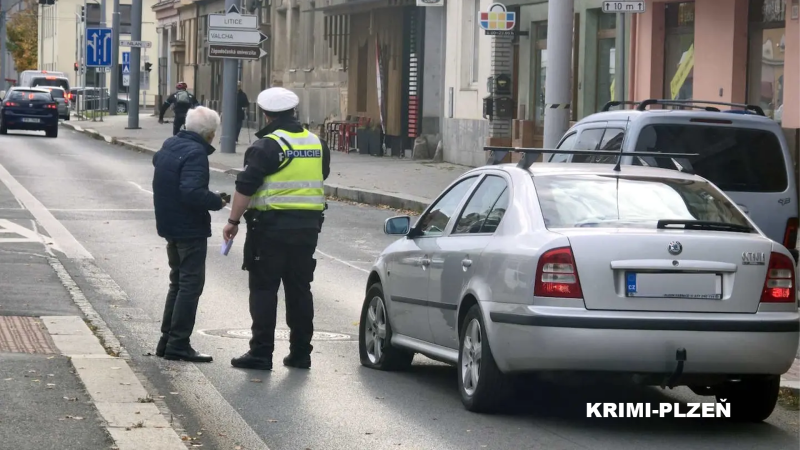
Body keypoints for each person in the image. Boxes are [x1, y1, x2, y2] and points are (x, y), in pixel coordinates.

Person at [223, 87, 330, 371]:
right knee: (299, 290)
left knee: (263, 289)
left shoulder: (267, 146)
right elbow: (322, 175)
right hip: (308, 229)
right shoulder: (317, 143)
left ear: (266, 114)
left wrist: (232, 221)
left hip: (269, 229)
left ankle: (261, 353)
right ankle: (300, 354)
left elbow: (246, 187)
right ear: (293, 112)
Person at [153, 106, 227, 362]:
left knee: (178, 283)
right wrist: (217, 201)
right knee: (190, 286)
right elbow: (192, 191)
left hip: (169, 223)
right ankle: (178, 344)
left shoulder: (171, 144)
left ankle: (167, 341)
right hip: (188, 227)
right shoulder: (196, 153)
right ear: (208, 134)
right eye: (214, 134)